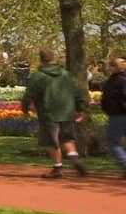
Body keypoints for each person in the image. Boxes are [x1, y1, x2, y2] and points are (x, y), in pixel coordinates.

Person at [20, 48, 89, 178]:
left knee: (52, 141)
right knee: (67, 138)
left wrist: (25, 110)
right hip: (67, 111)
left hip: (48, 113)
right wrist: (80, 109)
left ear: (41, 59)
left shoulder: (38, 76)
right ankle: (74, 158)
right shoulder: (66, 74)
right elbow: (77, 92)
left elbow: (29, 94)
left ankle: (57, 168)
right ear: (54, 58)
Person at [100, 54, 126, 178]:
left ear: (115, 67)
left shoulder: (115, 81)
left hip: (119, 114)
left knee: (113, 141)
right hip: (118, 113)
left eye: (111, 66)